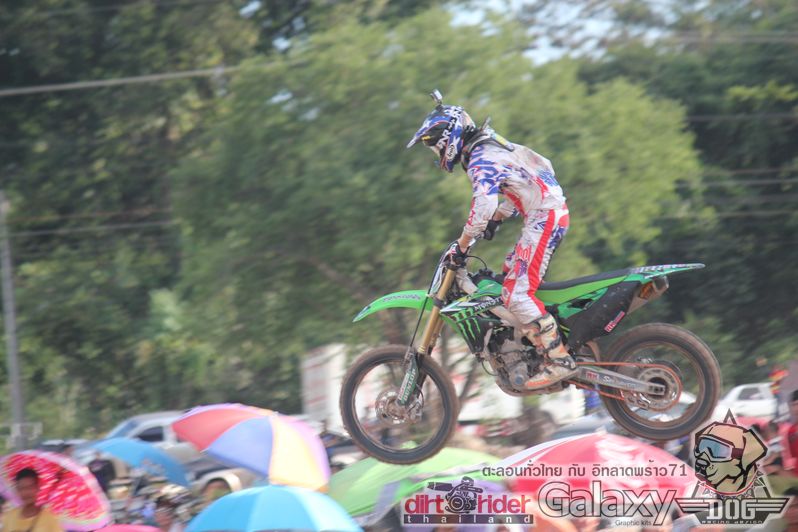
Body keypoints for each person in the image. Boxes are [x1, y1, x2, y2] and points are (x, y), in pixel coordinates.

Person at [407, 90, 574, 389]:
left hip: (544, 219)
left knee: (517, 295)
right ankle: (532, 343)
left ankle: (559, 359)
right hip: (545, 215)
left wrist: (463, 244)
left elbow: (482, 205)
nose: (436, 153)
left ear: (448, 139)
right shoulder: (495, 145)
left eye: (435, 146)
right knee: (509, 273)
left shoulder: (481, 159)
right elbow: (540, 169)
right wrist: (500, 216)